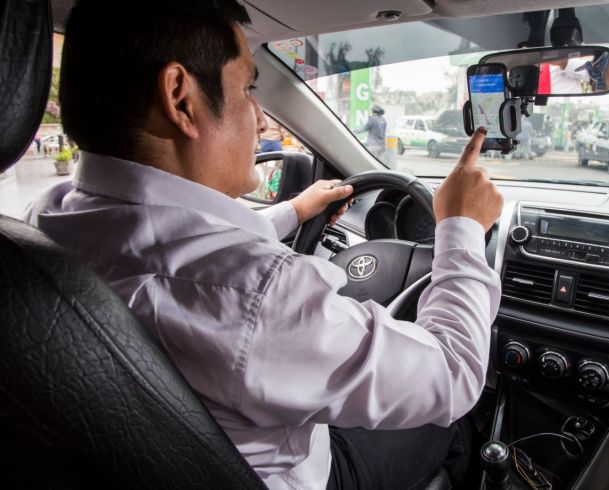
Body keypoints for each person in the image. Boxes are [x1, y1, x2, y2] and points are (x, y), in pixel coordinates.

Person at [24, 1, 504, 489]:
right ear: (180, 98)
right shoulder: (263, 295)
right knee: (450, 423)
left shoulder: (42, 221)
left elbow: (181, 249)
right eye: (248, 89)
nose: (260, 119)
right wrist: (462, 227)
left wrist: (292, 211)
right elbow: (454, 373)